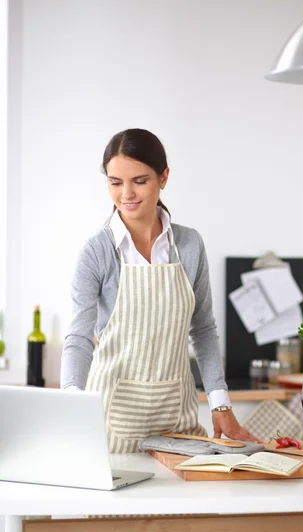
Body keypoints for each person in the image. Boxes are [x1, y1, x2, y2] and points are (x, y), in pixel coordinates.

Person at [61, 128, 260, 453]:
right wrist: (70, 401)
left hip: (177, 422)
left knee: (181, 505)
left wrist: (220, 403)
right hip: (110, 424)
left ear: (163, 177)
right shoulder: (96, 251)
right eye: (115, 182)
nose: (126, 193)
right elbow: (79, 339)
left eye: (140, 180)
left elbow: (204, 329)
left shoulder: (189, 244)